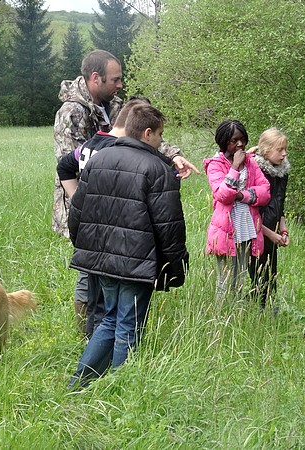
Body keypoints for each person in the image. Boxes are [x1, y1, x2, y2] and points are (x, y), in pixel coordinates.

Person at [52, 50, 198, 332]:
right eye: (115, 79)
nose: (120, 85)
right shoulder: (71, 113)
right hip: (88, 207)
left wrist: (173, 155)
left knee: (112, 271)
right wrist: (82, 201)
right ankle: (89, 336)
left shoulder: (115, 105)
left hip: (119, 203)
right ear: (96, 78)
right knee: (89, 274)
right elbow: (73, 163)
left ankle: (111, 331)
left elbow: (142, 133)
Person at [66, 103, 189, 389]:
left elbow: (77, 213)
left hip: (103, 261)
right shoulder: (157, 168)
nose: (161, 141)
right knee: (129, 327)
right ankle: (124, 393)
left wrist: (86, 248)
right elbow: (169, 228)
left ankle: (77, 385)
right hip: (138, 264)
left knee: (110, 319)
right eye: (160, 135)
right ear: (147, 133)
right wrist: (176, 266)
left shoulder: (99, 159)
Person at [56, 99, 155, 338]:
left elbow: (64, 167)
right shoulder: (119, 151)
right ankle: (97, 337)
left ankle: (89, 337)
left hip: (89, 226)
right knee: (106, 295)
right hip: (113, 228)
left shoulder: (92, 144)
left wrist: (78, 197)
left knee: (87, 276)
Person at [203, 120, 271, 301]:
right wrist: (234, 168)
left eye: (243, 140)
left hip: (247, 227)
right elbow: (222, 195)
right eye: (234, 140)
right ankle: (220, 319)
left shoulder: (251, 164)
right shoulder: (215, 164)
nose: (240, 144)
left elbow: (265, 191)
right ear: (224, 141)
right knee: (224, 281)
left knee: (240, 279)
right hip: (225, 229)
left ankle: (237, 316)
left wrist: (242, 196)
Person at [247, 128, 291, 309]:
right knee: (257, 280)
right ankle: (252, 313)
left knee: (271, 278)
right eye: (279, 149)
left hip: (272, 233)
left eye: (285, 149)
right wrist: (270, 234)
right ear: (265, 150)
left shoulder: (282, 173)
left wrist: (283, 230)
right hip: (254, 234)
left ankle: (267, 315)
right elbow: (251, 212)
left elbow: (280, 206)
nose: (284, 153)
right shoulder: (255, 172)